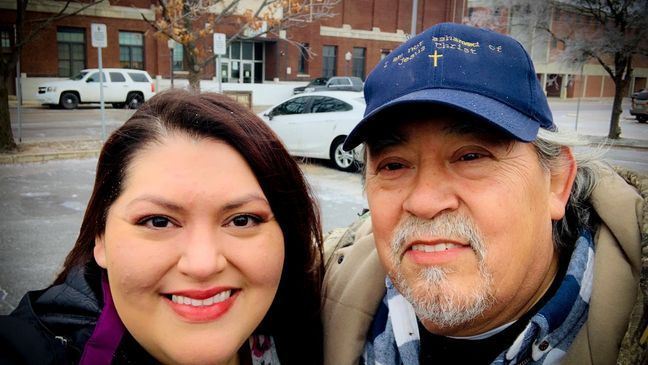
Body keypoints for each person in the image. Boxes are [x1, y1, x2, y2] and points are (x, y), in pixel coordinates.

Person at [322, 22, 645, 364]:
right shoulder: (310, 298)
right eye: (393, 165)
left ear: (556, 181)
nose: (424, 202)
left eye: (471, 156)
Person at [0, 89, 324, 365]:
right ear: (100, 239)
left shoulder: (314, 326)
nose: (202, 264)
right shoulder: (35, 349)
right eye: (158, 221)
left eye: (242, 220)